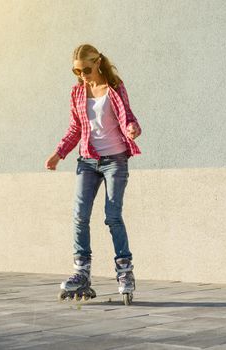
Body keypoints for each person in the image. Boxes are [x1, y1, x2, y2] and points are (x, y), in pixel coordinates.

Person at [44, 44, 142, 304]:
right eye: (76, 70)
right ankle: (81, 272)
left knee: (112, 216)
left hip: (115, 160)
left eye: (86, 69)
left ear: (97, 62)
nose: (82, 74)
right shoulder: (77, 92)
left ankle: (124, 272)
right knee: (79, 216)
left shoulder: (115, 88)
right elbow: (75, 128)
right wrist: (58, 154)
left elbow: (128, 117)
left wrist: (133, 128)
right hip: (87, 161)